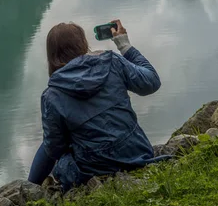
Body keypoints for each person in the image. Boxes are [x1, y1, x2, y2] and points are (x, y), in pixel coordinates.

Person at [28, 19, 162, 191]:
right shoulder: (112, 62)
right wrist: (124, 45)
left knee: (54, 146)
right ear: (83, 45)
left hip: (92, 171)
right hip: (137, 153)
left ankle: (29, 189)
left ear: (52, 56)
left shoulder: (52, 96)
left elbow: (54, 149)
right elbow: (151, 82)